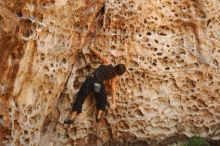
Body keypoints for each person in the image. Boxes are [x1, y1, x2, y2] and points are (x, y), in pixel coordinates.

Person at [64, 48, 126, 124]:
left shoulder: (107, 63)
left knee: (81, 96)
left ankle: (72, 118)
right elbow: (113, 88)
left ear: (116, 66)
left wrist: (91, 48)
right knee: (102, 98)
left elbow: (98, 55)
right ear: (120, 73)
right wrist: (114, 102)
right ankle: (98, 116)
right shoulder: (114, 77)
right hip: (97, 85)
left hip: (90, 79)